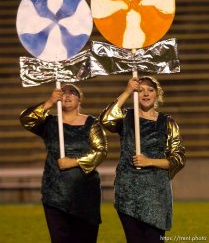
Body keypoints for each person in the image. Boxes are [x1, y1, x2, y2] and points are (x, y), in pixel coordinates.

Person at [100, 76, 186, 243]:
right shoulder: (125, 117)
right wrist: (126, 91)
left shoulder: (167, 122)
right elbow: (105, 120)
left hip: (156, 192)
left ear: (157, 94)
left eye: (150, 90)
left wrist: (150, 161)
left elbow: (179, 157)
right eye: (140, 90)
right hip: (128, 189)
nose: (145, 94)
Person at [20, 84, 108, 243]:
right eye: (63, 92)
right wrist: (49, 102)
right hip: (55, 192)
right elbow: (26, 119)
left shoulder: (91, 123)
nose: (67, 95)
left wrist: (74, 162)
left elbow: (101, 151)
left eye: (72, 92)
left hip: (84, 191)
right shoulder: (49, 123)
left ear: (79, 99)